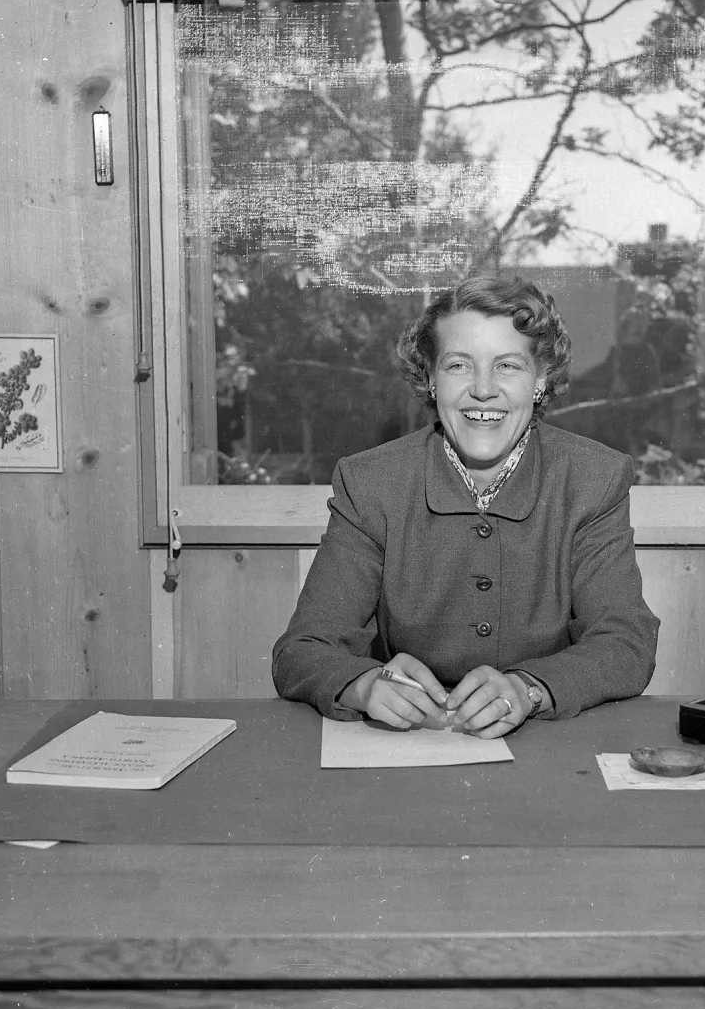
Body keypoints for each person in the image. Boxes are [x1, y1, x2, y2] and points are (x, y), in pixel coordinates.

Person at [272, 276, 660, 738]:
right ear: (430, 379)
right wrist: (363, 685)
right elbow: (302, 649)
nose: (483, 389)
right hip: (410, 744)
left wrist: (529, 690)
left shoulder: (594, 478)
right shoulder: (371, 482)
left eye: (508, 366)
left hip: (548, 741)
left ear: (541, 380)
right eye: (458, 365)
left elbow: (625, 643)